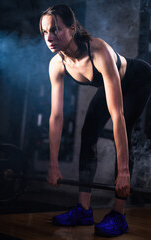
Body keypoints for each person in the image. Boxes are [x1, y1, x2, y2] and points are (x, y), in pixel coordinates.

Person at [39, 4, 151, 237]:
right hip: (112, 84)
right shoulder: (56, 65)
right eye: (45, 32)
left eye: (56, 30)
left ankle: (119, 215)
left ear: (72, 29)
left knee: (125, 130)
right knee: (88, 131)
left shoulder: (98, 51)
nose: (49, 37)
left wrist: (123, 172)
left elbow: (117, 115)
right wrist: (52, 164)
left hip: (137, 79)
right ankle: (83, 210)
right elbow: (56, 117)